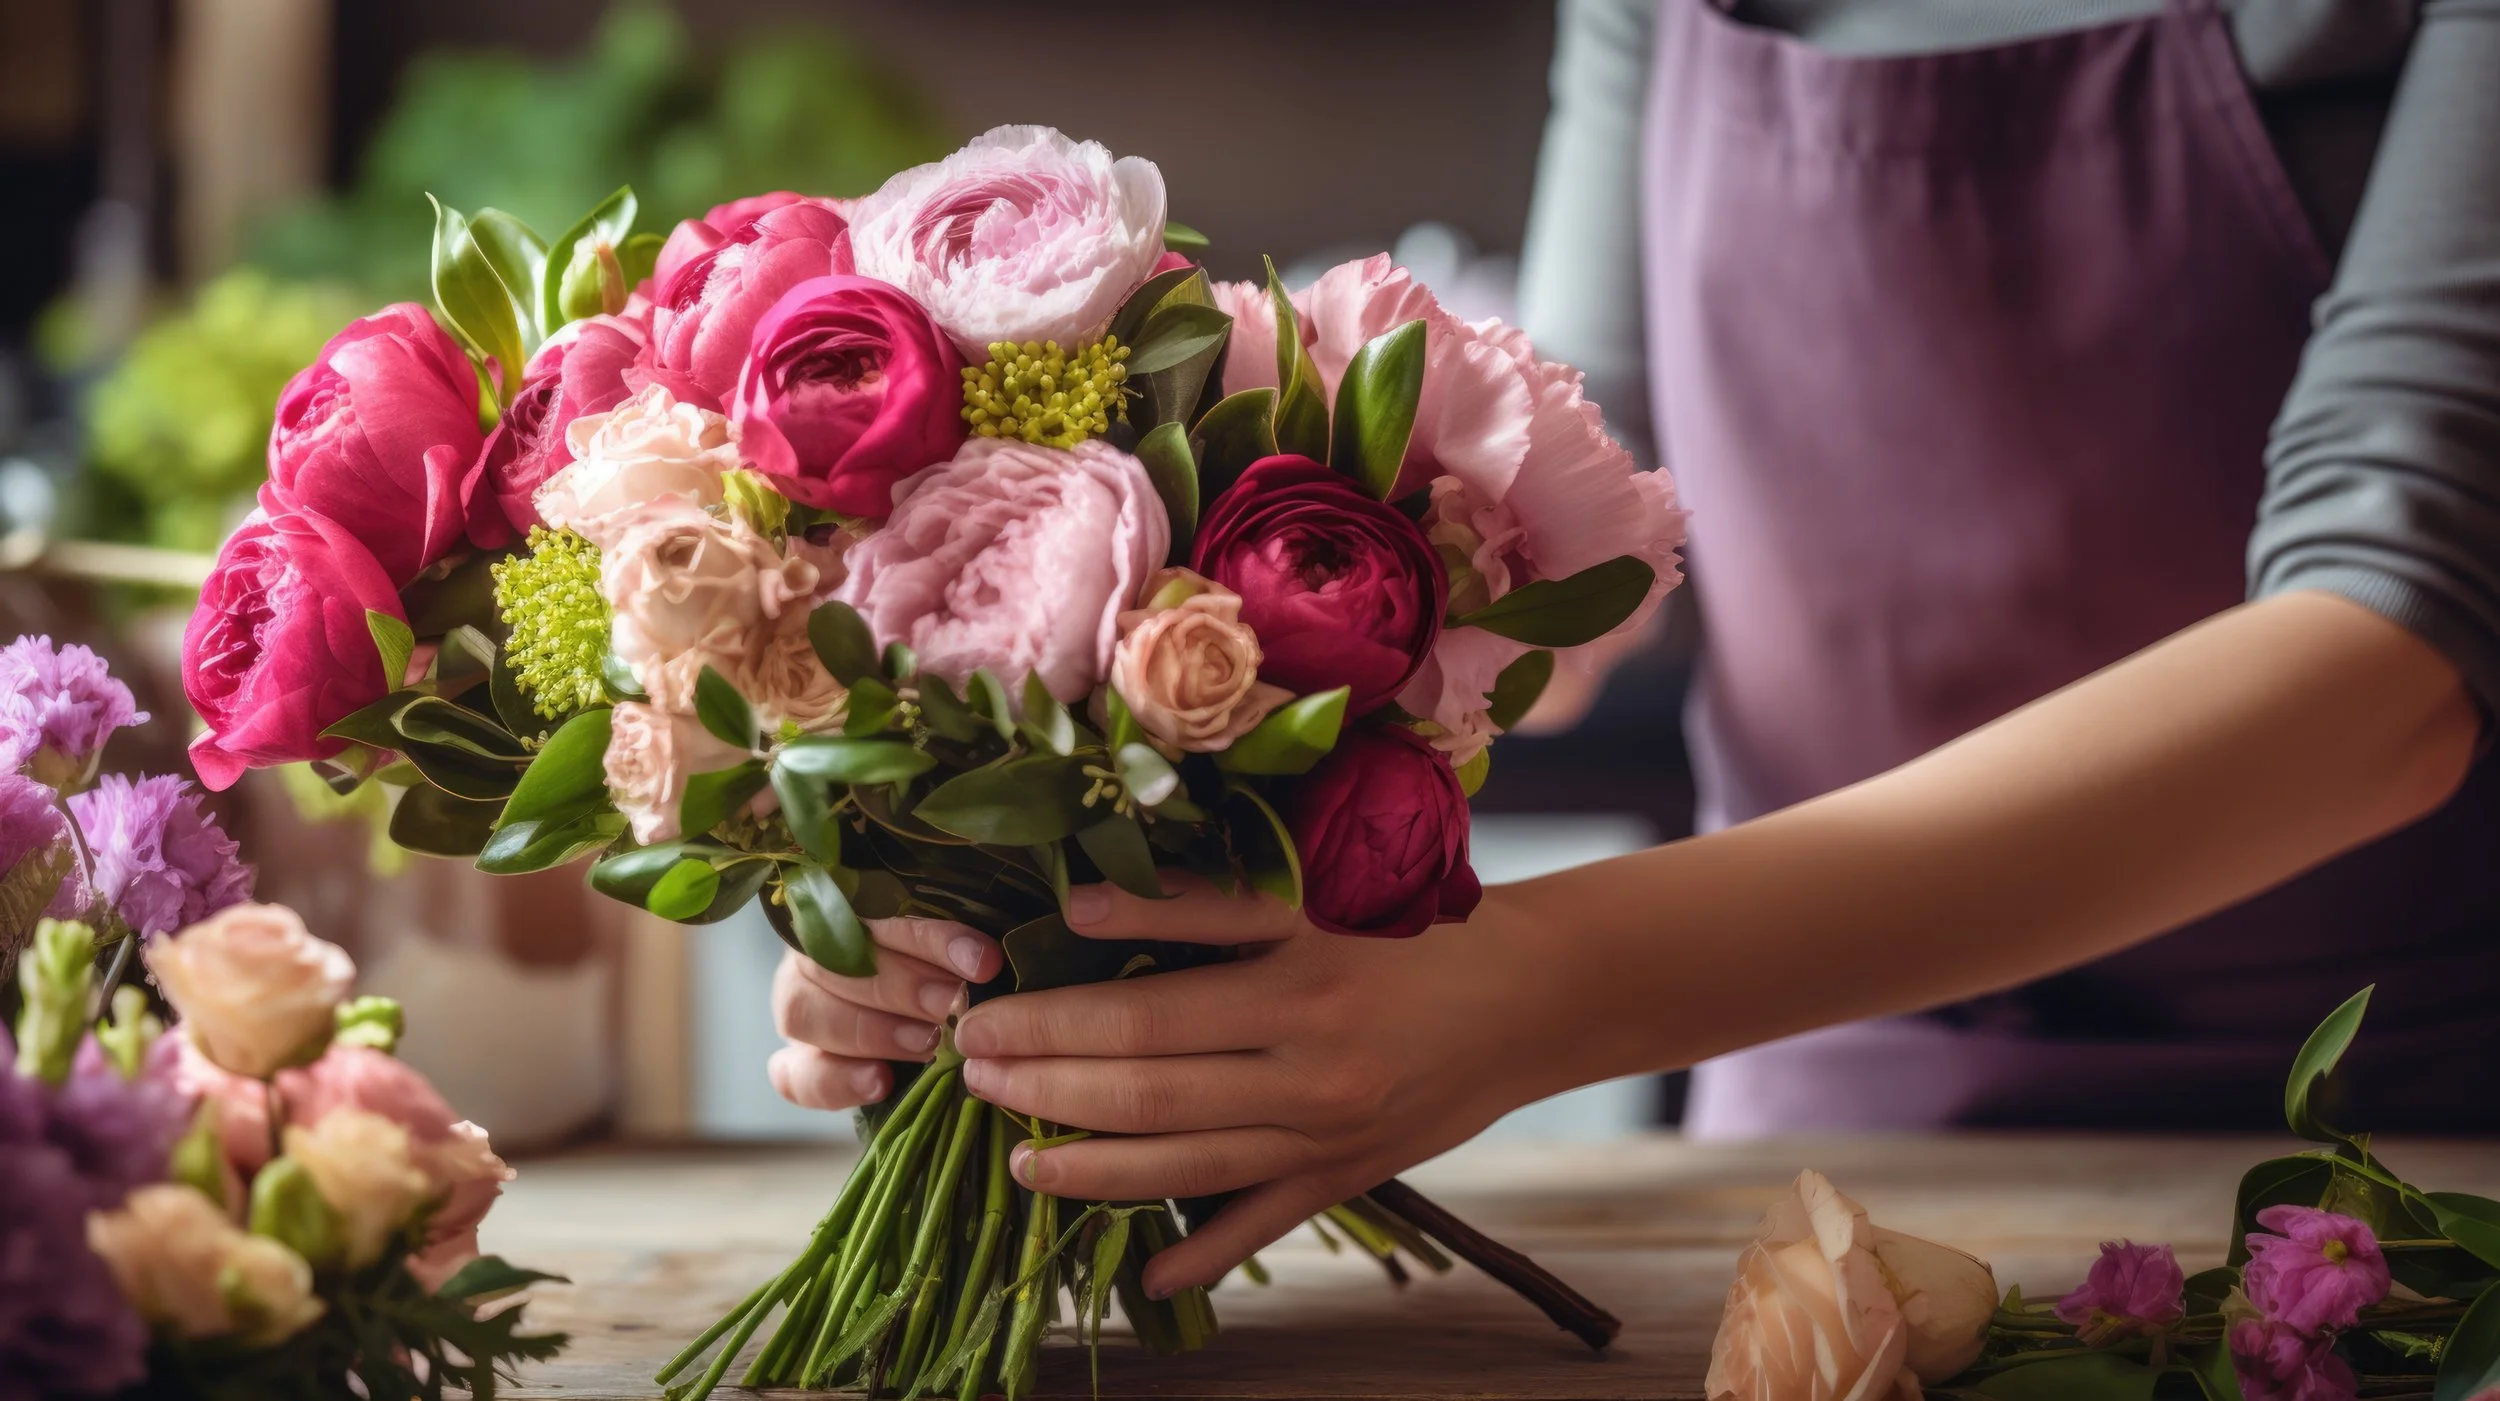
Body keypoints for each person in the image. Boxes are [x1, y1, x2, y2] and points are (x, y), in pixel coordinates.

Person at [766, 0, 2500, 1301]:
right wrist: (1037, 883)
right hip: (1810, 1095)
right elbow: (1551, 541)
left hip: (2382, 1131)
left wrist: (1532, 988)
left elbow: (2390, 658)